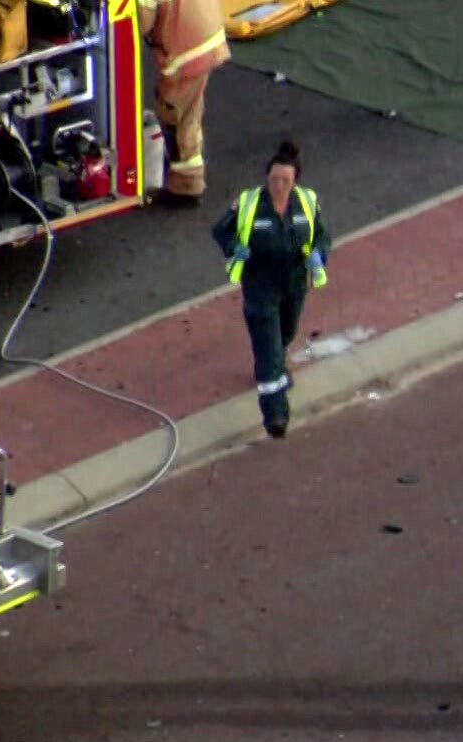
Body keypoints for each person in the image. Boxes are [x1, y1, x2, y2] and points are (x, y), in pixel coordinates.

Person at [211, 141, 333, 439]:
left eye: (285, 181)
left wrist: (319, 253)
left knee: (286, 332)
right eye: (274, 179)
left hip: (293, 282)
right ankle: (275, 413)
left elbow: (320, 235)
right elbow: (220, 230)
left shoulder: (307, 202)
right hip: (260, 284)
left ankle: (276, 366)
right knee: (268, 347)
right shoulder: (250, 204)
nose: (278, 186)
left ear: (295, 182)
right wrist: (234, 248)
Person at [139, 0, 230, 205]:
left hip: (186, 52)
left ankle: (186, 185)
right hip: (207, 37)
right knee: (190, 110)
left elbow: (141, 22)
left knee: (174, 114)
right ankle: (189, 176)